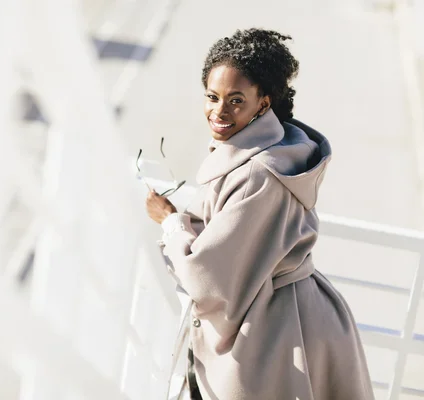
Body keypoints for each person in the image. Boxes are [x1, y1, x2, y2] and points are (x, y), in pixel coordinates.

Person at [145, 28, 374, 400]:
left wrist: (171, 222)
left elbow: (207, 279)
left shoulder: (258, 172)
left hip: (280, 334)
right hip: (304, 319)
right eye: (212, 96)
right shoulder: (277, 148)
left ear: (263, 104)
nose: (219, 111)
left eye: (236, 100)